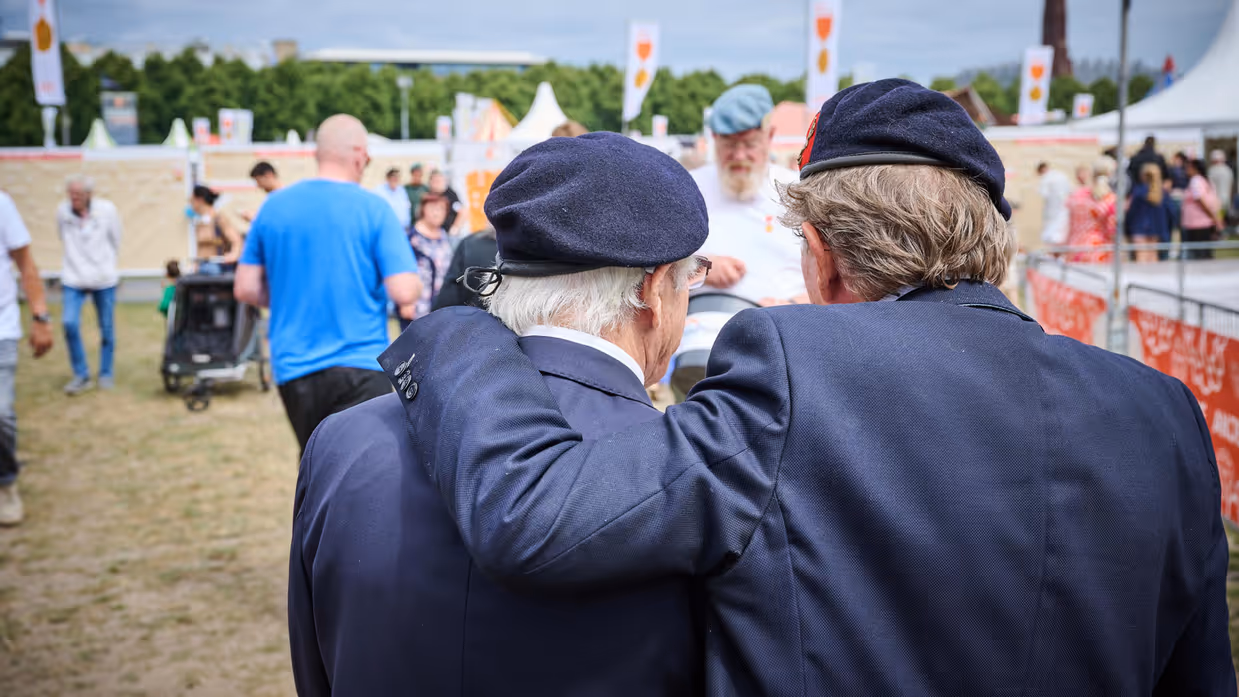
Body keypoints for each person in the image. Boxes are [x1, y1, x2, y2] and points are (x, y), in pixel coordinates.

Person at [383, 79, 1235, 695]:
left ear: (821, 258)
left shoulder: (792, 365)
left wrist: (461, 324)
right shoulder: (1160, 411)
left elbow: (537, 513)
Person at [289, 133, 711, 696]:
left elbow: (315, 666)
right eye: (692, 278)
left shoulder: (341, 440)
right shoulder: (695, 476)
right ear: (655, 291)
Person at [234, 114, 421, 454]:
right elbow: (404, 290)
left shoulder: (273, 207)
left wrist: (291, 294)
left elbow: (245, 288)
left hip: (295, 365)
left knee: (315, 465)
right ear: (359, 155)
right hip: (361, 363)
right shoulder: (374, 209)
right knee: (361, 472)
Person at [691, 85, 807, 307]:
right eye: (729, 145)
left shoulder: (797, 192)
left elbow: (832, 278)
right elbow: (657, 266)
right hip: (703, 317)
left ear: (769, 136)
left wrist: (791, 305)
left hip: (785, 322)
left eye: (749, 144)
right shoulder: (690, 187)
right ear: (714, 138)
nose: (739, 155)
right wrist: (698, 267)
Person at [0, 190, 53, 526]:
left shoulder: (1, 204)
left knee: (1, 413)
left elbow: (25, 263)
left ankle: (5, 483)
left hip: (1, 326)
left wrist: (40, 316)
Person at [58, 174, 122, 395]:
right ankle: (81, 374)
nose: (74, 198)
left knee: (107, 328)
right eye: (71, 194)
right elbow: (61, 236)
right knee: (69, 323)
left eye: (78, 194)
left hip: (103, 278)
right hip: (73, 277)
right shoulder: (62, 212)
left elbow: (116, 239)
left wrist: (106, 264)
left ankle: (105, 373)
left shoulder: (107, 210)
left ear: (89, 194)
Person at [402, 192, 454, 330]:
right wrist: (405, 302)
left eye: (441, 209)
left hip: (439, 307)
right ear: (423, 210)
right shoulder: (411, 238)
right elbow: (402, 271)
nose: (437, 213)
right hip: (417, 307)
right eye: (432, 208)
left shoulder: (443, 236)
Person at [1064, 158, 1117, 263]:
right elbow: (1111, 230)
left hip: (1074, 247)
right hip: (1099, 249)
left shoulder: (1075, 195)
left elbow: (1067, 222)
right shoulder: (1109, 199)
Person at [189, 185, 243, 272]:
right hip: (202, 266)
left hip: (215, 267)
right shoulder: (201, 221)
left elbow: (236, 239)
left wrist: (234, 254)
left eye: (191, 200)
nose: (190, 204)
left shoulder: (218, 218)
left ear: (200, 200)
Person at [1126, 163, 1172, 263]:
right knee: (1153, 257)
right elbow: (1169, 213)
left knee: (1141, 257)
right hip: (1156, 228)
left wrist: (1127, 227)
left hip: (1139, 227)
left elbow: (1131, 211)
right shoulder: (1163, 193)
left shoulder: (1138, 191)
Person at [1181, 157, 1221, 260]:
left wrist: (1212, 217)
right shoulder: (1205, 180)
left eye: (1189, 167)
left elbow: (1200, 200)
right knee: (1205, 253)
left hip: (1196, 223)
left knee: (1199, 255)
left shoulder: (1196, 181)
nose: (1186, 169)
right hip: (1203, 222)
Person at [1036, 161, 1072, 247]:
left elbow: (1043, 193)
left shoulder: (1046, 178)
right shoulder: (1061, 175)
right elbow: (1069, 189)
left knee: (1052, 231)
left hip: (1052, 208)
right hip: (1064, 207)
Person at [427, 169, 464, 235]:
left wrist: (455, 227)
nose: (436, 184)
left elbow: (462, 212)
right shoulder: (429, 195)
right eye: (434, 181)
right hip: (434, 233)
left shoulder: (451, 195)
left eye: (438, 181)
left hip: (448, 233)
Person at [1207, 149, 1233, 220]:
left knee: (1217, 219)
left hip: (1215, 200)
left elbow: (1209, 186)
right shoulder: (1228, 170)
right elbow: (1230, 187)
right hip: (1225, 199)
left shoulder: (1212, 170)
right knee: (1221, 217)